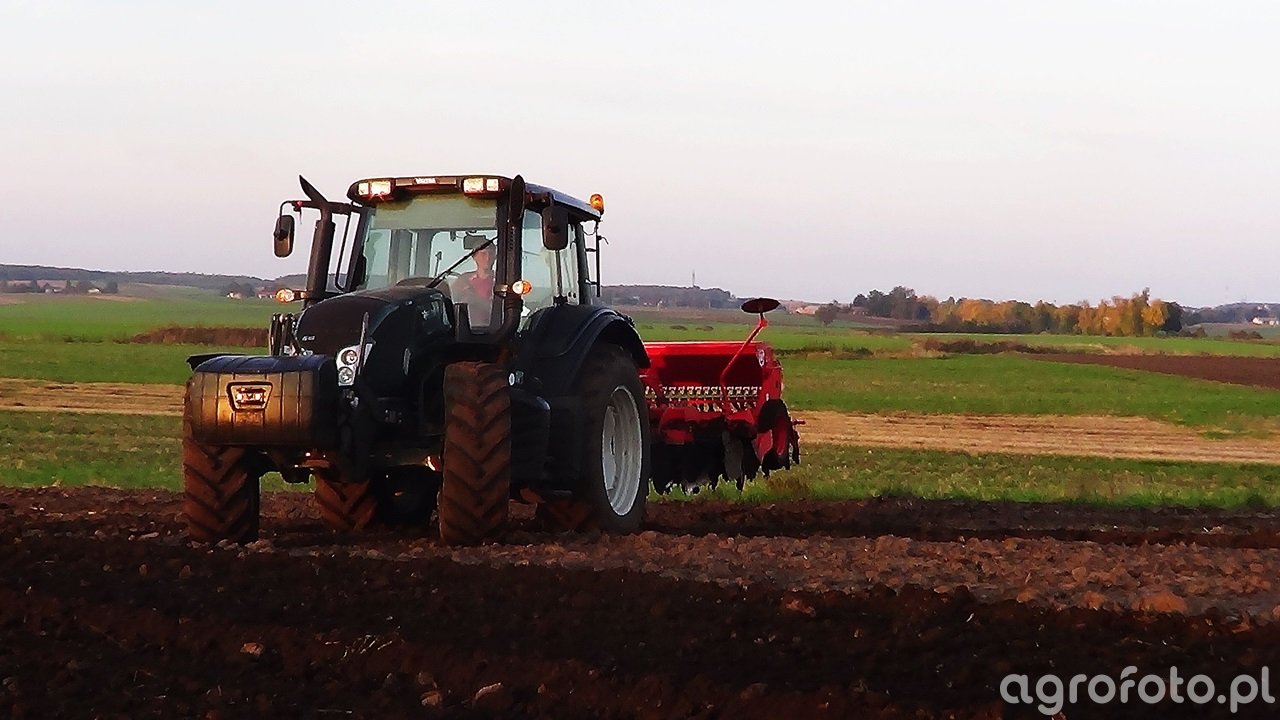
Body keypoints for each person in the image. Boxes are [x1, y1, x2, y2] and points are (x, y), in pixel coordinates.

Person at [450, 242, 496, 324]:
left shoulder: (500, 281)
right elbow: (451, 300)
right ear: (474, 256)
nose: (488, 258)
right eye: (483, 254)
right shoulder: (463, 280)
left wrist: (475, 300)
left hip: (492, 329)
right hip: (464, 327)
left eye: (491, 254)